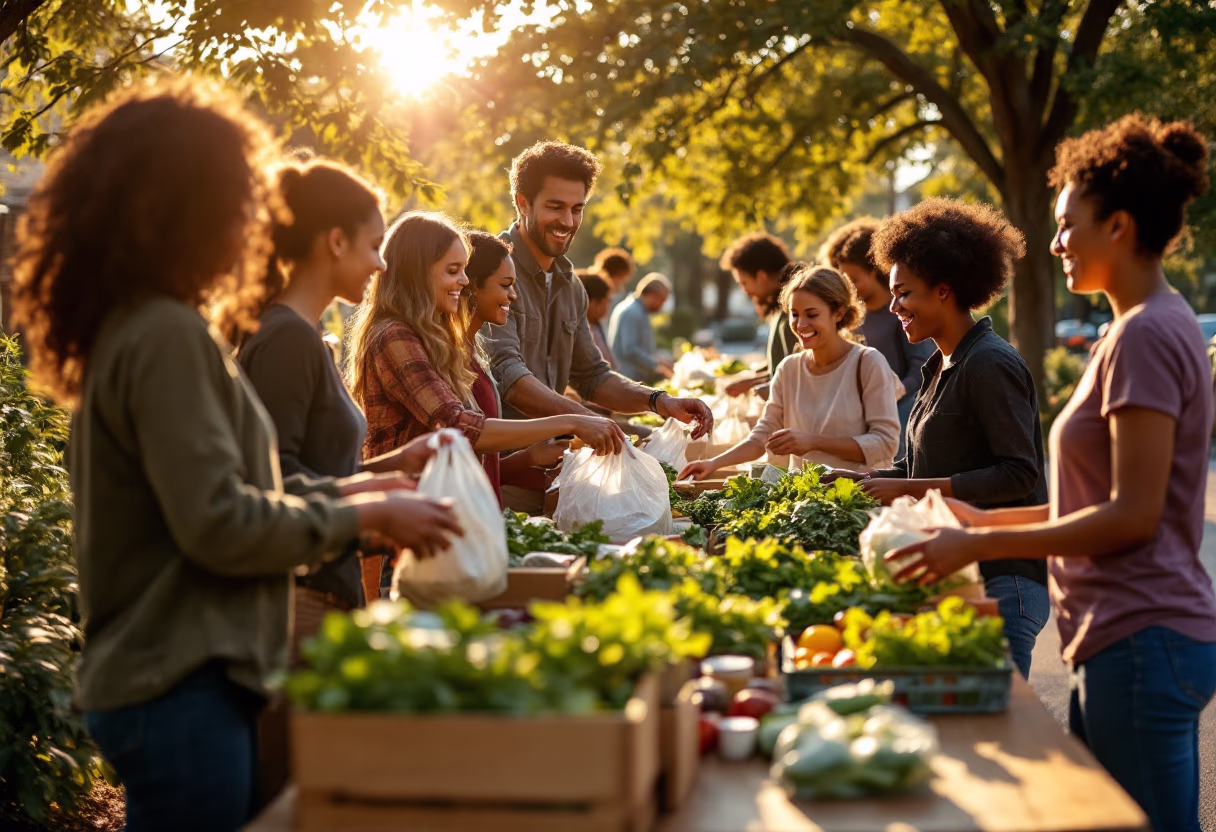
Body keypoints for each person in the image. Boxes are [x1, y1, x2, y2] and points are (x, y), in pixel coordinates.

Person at [8, 79, 461, 832]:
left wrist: (365, 500)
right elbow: (219, 521)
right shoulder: (164, 336)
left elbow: (250, 491)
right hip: (180, 685)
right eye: (244, 196)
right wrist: (367, 511)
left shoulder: (150, 326)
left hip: (176, 682)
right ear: (194, 205)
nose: (258, 219)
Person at [887, 115, 1216, 832]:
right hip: (1123, 637)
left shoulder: (1146, 335)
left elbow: (1133, 516)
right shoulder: (1138, 328)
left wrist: (977, 546)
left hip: (1143, 634)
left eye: (1069, 224)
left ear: (1119, 226)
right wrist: (979, 521)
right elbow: (1081, 501)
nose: (1057, 241)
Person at [831, 197, 1050, 680]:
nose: (893, 308)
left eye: (904, 294)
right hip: (962, 570)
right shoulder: (939, 365)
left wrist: (906, 488)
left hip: (1004, 581)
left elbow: (1019, 474)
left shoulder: (990, 363)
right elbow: (917, 469)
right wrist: (860, 478)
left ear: (944, 292)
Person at [237, 159, 444, 650]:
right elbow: (271, 482)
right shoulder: (287, 340)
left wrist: (392, 467)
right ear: (334, 242)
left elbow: (319, 467)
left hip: (325, 589)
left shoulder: (307, 336)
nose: (381, 264)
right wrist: (377, 507)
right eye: (374, 245)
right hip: (298, 600)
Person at [477, 140, 712, 510]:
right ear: (522, 203)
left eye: (577, 209)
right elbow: (506, 375)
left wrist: (659, 401)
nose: (568, 222)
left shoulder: (571, 285)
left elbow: (591, 376)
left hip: (557, 475)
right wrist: (585, 421)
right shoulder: (491, 269)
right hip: (500, 477)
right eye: (555, 207)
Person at [345, 211, 625, 507]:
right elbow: (460, 427)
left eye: (464, 270)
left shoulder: (437, 340)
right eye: (453, 270)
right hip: (409, 526)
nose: (464, 280)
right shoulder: (394, 336)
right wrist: (570, 421)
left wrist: (528, 455)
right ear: (418, 271)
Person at [680, 265, 900, 480]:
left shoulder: (868, 363)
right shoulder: (789, 368)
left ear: (838, 313)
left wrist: (813, 442)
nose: (801, 324)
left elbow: (885, 445)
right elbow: (762, 437)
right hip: (802, 505)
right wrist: (712, 463)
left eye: (812, 314)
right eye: (794, 314)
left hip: (856, 501)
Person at [462, 230, 579, 499]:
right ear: (472, 285)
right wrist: (571, 421)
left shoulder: (474, 351)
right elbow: (470, 434)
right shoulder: (441, 354)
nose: (513, 295)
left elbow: (483, 467)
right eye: (505, 285)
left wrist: (531, 456)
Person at [820, 217, 934, 453]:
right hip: (857, 420)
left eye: (853, 280)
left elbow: (922, 367)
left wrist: (895, 391)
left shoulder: (901, 315)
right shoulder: (851, 317)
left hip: (898, 419)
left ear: (873, 272)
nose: (849, 289)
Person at [718, 233, 799, 399]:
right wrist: (751, 375)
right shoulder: (778, 307)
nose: (744, 291)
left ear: (761, 276)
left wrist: (751, 383)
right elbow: (778, 362)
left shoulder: (795, 308)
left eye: (744, 283)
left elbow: (796, 370)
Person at [609, 272, 674, 383]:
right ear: (652, 295)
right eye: (662, 300)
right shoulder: (633, 312)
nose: (661, 306)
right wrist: (656, 364)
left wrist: (659, 360)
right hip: (628, 378)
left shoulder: (637, 310)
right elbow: (630, 350)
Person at [578, 268, 616, 367]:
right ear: (593, 303)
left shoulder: (596, 326)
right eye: (606, 302)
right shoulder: (573, 334)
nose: (607, 308)